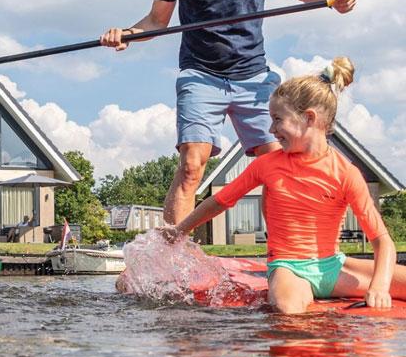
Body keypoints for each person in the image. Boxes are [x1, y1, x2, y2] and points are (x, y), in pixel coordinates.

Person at [100, 0, 356, 224]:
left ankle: (282, 255)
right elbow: (157, 20)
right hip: (200, 75)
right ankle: (172, 260)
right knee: (192, 165)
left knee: (277, 165)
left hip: (253, 75)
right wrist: (126, 33)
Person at [165, 57, 406, 314]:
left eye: (278, 119)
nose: (271, 128)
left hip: (333, 267)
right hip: (288, 268)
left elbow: (382, 241)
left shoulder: (346, 172)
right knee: (287, 310)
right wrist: (180, 230)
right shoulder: (267, 164)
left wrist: (379, 286)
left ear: (309, 118)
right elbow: (220, 201)